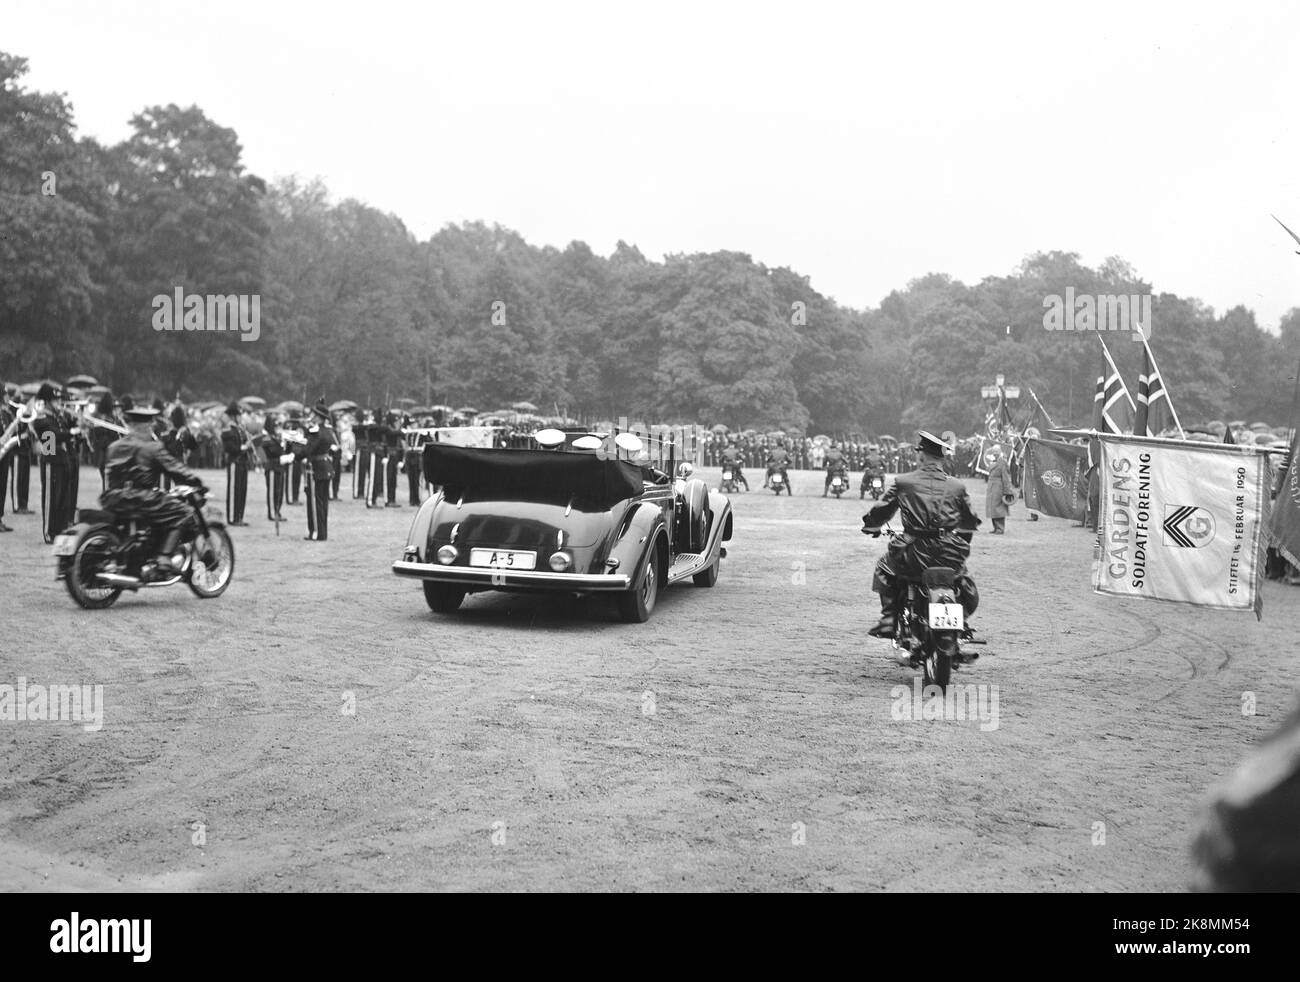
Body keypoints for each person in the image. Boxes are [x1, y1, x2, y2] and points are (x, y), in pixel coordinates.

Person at [862, 430, 981, 641]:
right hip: (949, 552)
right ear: (943, 458)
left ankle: (889, 619)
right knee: (961, 578)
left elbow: (881, 510)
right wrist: (959, 543)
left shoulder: (904, 482)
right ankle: (961, 621)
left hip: (913, 553)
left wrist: (871, 525)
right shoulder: (957, 486)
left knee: (884, 567)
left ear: (922, 455)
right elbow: (970, 522)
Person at [101, 404, 209, 579]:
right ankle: (164, 557)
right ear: (146, 426)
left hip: (114, 496)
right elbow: (175, 468)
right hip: (140, 497)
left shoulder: (115, 446)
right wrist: (196, 481)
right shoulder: (151, 446)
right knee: (184, 513)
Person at [30, 383, 78, 544]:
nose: (58, 403)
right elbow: (52, 436)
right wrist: (71, 432)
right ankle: (49, 531)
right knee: (52, 498)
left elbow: (64, 430)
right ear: (48, 401)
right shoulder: (43, 418)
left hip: (62, 458)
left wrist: (76, 423)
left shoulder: (57, 416)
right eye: (55, 400)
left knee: (63, 498)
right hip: (52, 460)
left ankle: (60, 528)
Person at [294, 401, 339, 541]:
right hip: (325, 466)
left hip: (316, 468)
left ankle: (316, 532)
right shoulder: (327, 430)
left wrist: (295, 452)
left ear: (318, 417)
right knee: (322, 501)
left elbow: (308, 450)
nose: (311, 416)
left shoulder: (316, 432)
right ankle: (322, 532)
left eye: (313, 414)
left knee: (314, 502)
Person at [220, 402, 251, 526]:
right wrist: (244, 447)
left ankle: (239, 516)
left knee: (242, 491)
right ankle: (233, 517)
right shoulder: (228, 429)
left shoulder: (239, 429)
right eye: (239, 415)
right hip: (234, 462)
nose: (240, 418)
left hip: (242, 462)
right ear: (233, 416)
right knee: (234, 490)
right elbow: (230, 448)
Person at [258, 415, 288, 523]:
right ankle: (272, 512)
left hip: (279, 467)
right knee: (272, 492)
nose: (277, 428)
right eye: (275, 426)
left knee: (279, 491)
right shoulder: (267, 438)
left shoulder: (275, 437)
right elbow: (274, 451)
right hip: (271, 467)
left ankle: (277, 511)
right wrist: (282, 444)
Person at [985, 446, 1014, 534]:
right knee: (992, 507)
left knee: (999, 508)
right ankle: (995, 527)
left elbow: (1005, 477)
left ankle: (1000, 528)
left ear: (999, 452)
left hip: (999, 487)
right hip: (991, 487)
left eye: (996, 452)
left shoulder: (1003, 462)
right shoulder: (993, 462)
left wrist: (1007, 491)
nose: (995, 454)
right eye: (993, 452)